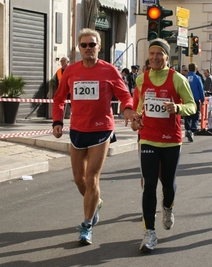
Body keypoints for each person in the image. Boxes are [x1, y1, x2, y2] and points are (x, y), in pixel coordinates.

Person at [52, 28, 136, 245]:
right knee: (79, 179)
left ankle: (87, 224)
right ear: (79, 48)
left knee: (91, 178)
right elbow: (59, 98)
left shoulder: (109, 70)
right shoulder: (70, 71)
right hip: (78, 129)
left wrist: (127, 109)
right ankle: (95, 201)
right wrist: (58, 121)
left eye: (92, 45)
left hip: (101, 129)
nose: (88, 48)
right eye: (84, 45)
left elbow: (124, 94)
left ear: (99, 47)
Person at [131, 38, 196, 252]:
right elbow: (140, 105)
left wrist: (177, 108)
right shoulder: (141, 79)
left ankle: (168, 206)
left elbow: (192, 106)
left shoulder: (177, 79)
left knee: (168, 184)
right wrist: (136, 118)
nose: (155, 58)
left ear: (167, 57)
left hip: (171, 140)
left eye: (160, 54)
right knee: (149, 184)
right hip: (148, 137)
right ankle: (149, 233)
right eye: (152, 54)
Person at [185, 62, 205, 142]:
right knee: (195, 116)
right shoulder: (197, 78)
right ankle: (192, 130)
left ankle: (188, 129)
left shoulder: (185, 77)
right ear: (195, 69)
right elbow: (200, 89)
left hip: (186, 100)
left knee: (187, 116)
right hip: (195, 100)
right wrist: (202, 99)